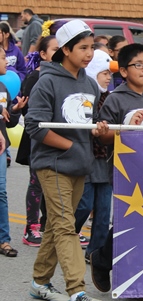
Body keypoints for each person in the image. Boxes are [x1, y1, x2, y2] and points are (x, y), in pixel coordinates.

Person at [25, 19, 108, 301]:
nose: (89, 53)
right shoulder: (47, 81)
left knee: (57, 227)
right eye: (83, 48)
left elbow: (94, 124)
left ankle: (39, 282)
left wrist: (101, 131)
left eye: (91, 48)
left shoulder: (91, 84)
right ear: (66, 49)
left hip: (80, 166)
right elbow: (34, 126)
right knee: (64, 226)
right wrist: (70, 145)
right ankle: (77, 289)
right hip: (52, 165)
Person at [90, 43, 143, 293]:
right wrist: (126, 127)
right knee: (131, 222)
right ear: (123, 71)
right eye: (138, 65)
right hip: (125, 171)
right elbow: (103, 138)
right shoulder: (116, 99)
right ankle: (104, 260)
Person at [75, 49, 118, 262]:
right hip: (86, 158)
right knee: (84, 204)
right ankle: (65, 236)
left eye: (110, 74)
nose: (109, 78)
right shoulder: (86, 97)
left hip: (106, 159)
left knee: (103, 212)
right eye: (104, 73)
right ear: (93, 73)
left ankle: (96, 253)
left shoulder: (112, 98)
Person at [19, 32, 59, 247]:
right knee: (37, 183)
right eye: (54, 49)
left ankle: (52, 225)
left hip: (59, 136)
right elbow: (27, 110)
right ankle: (31, 227)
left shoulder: (66, 77)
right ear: (43, 54)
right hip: (38, 138)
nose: (60, 53)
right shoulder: (36, 77)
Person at [0, 45, 27, 258]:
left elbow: (7, 123)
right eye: (2, 58)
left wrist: (14, 111)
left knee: (1, 192)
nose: (6, 62)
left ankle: (4, 239)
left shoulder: (2, 87)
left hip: (1, 148)